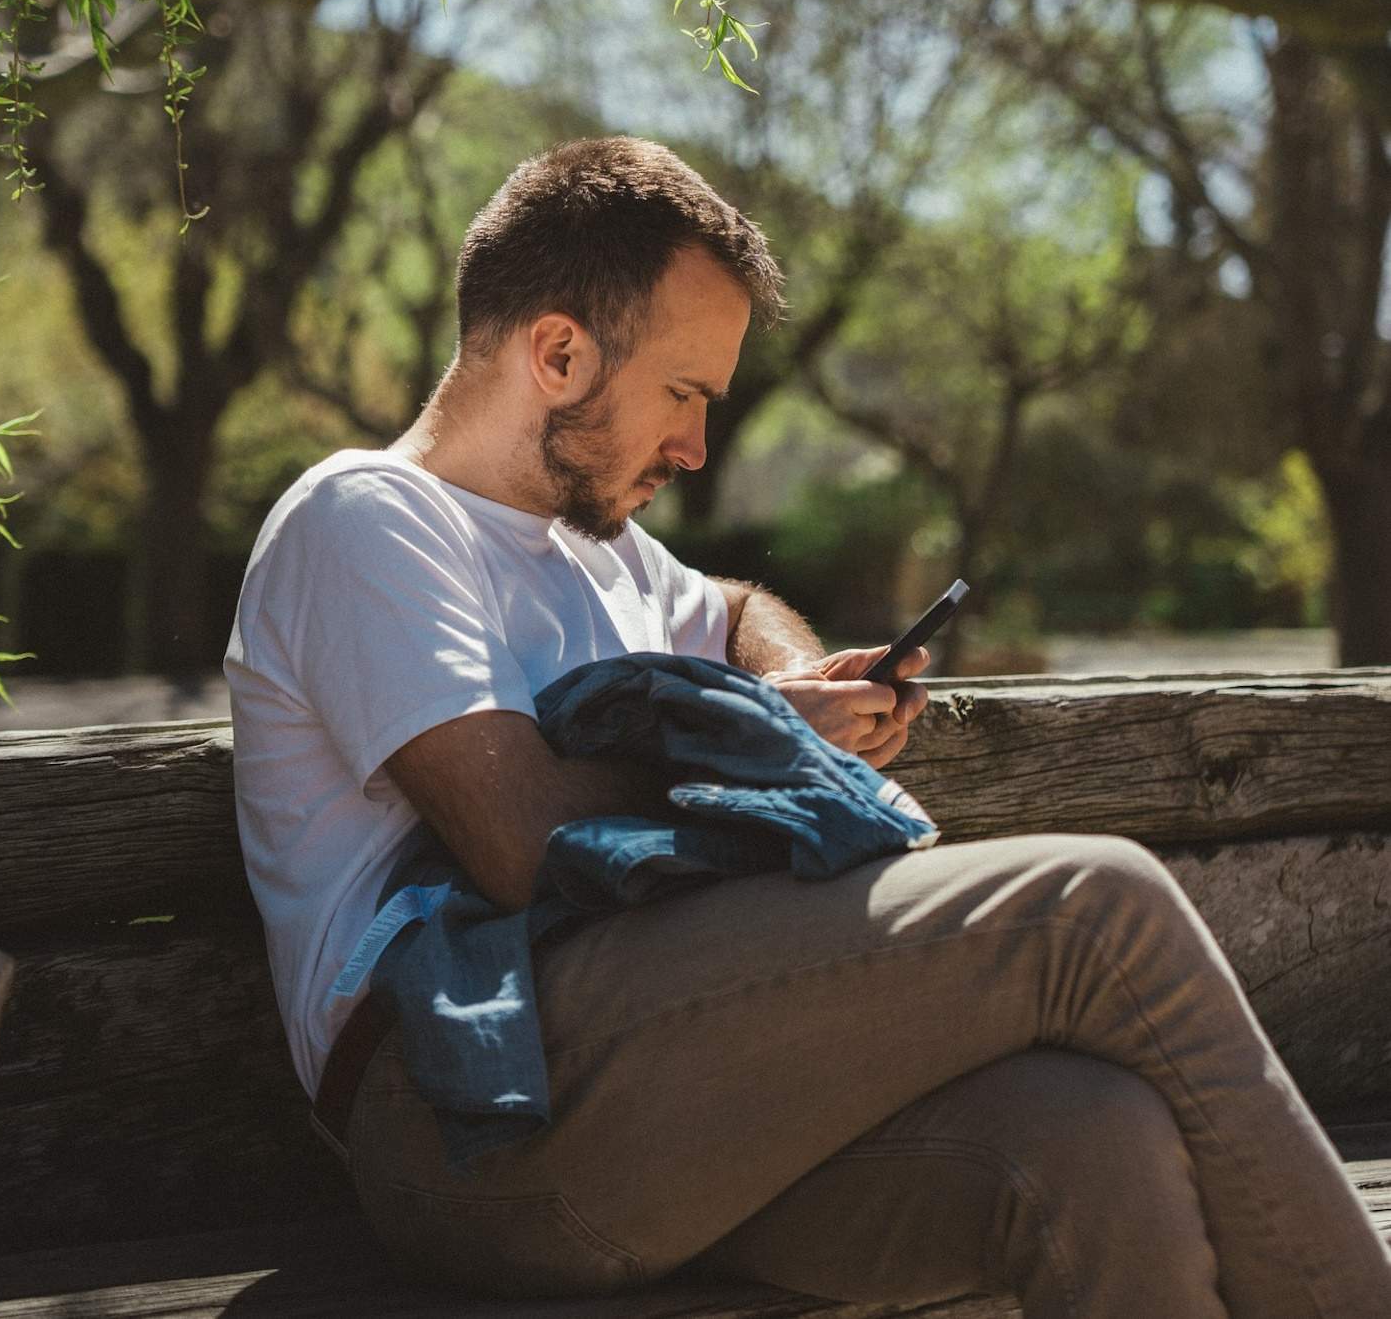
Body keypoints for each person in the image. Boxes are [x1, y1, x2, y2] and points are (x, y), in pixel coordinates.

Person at [226, 136, 1390, 1318]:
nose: (695, 447)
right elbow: (520, 845)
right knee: (1099, 908)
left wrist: (791, 684)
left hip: (669, 1112)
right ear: (560, 351)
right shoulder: (368, 518)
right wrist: (758, 735)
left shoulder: (607, 555)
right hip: (470, 1116)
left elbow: (730, 607)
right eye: (684, 394)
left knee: (1091, 1141)